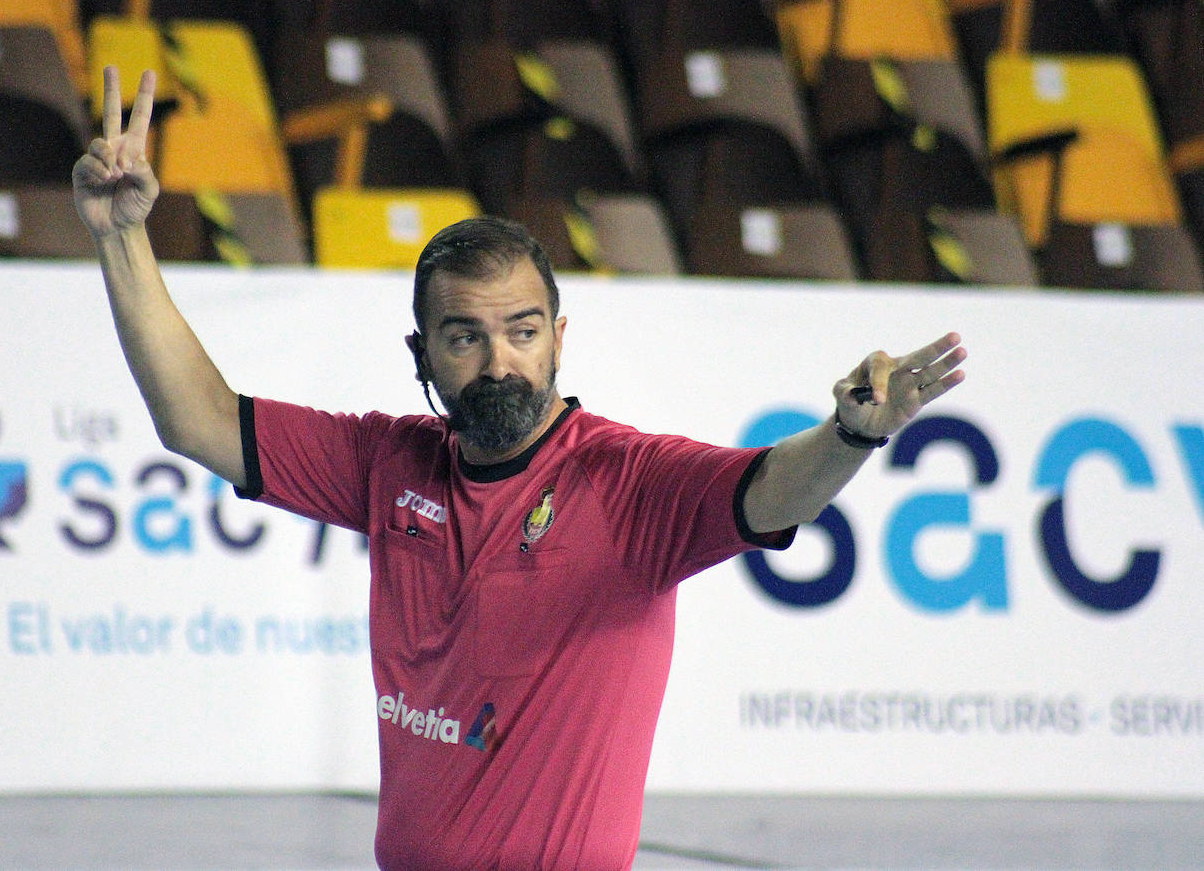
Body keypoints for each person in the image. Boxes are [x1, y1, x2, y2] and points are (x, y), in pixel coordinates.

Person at [73, 67, 967, 870]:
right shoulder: (389, 462)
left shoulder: (627, 485)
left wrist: (849, 438)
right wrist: (122, 238)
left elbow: (770, 488)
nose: (500, 361)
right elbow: (197, 419)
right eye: (467, 337)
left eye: (522, 331)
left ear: (558, 339)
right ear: (423, 354)